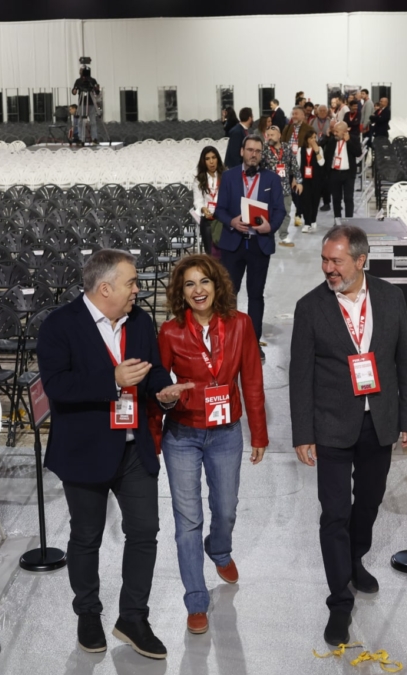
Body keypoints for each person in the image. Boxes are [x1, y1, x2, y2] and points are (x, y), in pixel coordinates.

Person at [39, 249, 192, 660]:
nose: (138, 290)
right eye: (131, 283)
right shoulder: (60, 325)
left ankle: (133, 618)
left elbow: (153, 368)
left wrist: (163, 389)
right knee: (86, 538)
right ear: (104, 288)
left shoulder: (139, 321)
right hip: (85, 452)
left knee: (144, 533)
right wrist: (111, 378)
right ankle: (88, 612)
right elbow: (57, 386)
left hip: (134, 449)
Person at [290, 224, 407, 647]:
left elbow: (405, 363)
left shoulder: (387, 297)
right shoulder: (310, 307)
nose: (328, 268)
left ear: (360, 261)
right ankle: (338, 603)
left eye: (337, 261)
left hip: (378, 421)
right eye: (325, 260)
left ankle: (354, 559)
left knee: (367, 503)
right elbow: (300, 377)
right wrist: (302, 432)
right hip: (330, 424)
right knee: (334, 513)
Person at [155, 254, 267, 635]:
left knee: (226, 507)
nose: (198, 290)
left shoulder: (240, 325)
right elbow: (159, 387)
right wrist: (167, 397)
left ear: (217, 286)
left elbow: (251, 379)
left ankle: (219, 549)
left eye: (204, 282)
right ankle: (196, 600)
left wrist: (259, 433)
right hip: (182, 435)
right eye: (189, 284)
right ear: (180, 293)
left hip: (226, 433)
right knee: (188, 520)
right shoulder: (170, 332)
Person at [213, 133, 286, 350]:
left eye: (257, 151)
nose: (253, 154)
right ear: (242, 152)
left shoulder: (272, 179)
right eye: (250, 150)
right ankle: (229, 342)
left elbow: (279, 210)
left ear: (261, 154)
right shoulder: (229, 177)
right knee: (228, 293)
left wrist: (270, 226)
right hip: (233, 244)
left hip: (258, 245)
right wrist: (232, 222)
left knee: (256, 295)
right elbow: (219, 210)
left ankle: (253, 344)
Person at [261, 126, 299, 247]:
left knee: (286, 212)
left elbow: (294, 164)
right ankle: (268, 234)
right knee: (268, 213)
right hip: (269, 188)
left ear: (279, 135)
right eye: (268, 135)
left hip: (285, 187)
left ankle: (283, 235)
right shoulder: (265, 149)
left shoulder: (287, 148)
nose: (270, 137)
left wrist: (298, 180)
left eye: (272, 135)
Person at [321, 122, 361, 221]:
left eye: (337, 131)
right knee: (336, 199)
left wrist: (349, 141)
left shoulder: (354, 139)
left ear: (344, 131)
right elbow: (323, 149)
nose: (335, 133)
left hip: (348, 174)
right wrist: (326, 136)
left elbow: (358, 153)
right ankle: (337, 220)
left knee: (348, 198)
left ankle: (349, 221)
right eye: (334, 131)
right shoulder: (332, 140)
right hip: (334, 173)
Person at [192, 146, 224, 256]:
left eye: (214, 158)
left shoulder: (226, 176)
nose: (211, 162)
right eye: (207, 159)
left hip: (222, 218)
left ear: (218, 159)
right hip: (207, 218)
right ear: (203, 161)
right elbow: (198, 200)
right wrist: (203, 209)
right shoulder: (199, 179)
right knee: (211, 254)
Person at [295, 128, 325, 234]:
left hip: (316, 179)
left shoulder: (319, 149)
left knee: (315, 201)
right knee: (306, 201)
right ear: (306, 139)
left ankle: (313, 220)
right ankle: (307, 223)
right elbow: (297, 166)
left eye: (314, 138)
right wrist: (297, 181)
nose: (313, 140)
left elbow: (321, 163)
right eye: (311, 138)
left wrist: (316, 151)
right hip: (305, 180)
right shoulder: (300, 150)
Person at [72, 66, 101, 144]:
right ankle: (81, 138)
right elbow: (74, 91)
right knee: (81, 122)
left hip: (91, 103)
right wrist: (75, 90)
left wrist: (97, 89)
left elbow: (97, 92)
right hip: (82, 104)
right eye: (81, 70)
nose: (82, 72)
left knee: (93, 121)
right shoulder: (78, 81)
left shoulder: (92, 80)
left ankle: (94, 138)